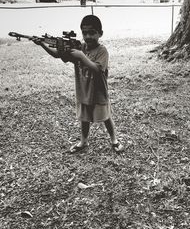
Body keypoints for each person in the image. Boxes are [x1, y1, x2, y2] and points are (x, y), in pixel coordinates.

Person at [33, 15, 123, 154]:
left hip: (99, 91)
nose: (88, 36)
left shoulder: (101, 51)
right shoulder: (79, 47)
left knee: (106, 117)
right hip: (84, 90)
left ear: (100, 33)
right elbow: (57, 54)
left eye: (92, 32)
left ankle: (114, 140)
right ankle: (84, 141)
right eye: (84, 33)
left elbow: (98, 69)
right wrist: (43, 44)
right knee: (84, 118)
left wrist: (81, 56)